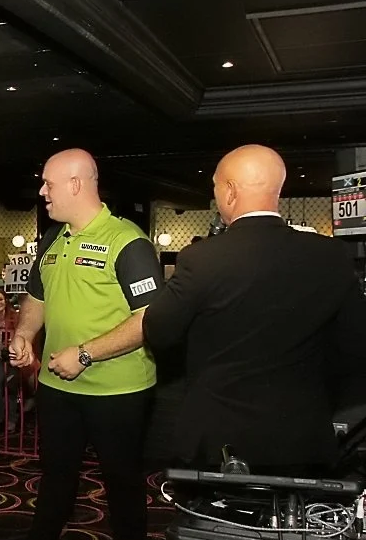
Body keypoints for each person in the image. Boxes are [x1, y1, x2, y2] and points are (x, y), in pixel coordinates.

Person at [81, 145, 366, 474]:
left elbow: (159, 331)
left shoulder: (203, 258)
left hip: (220, 438)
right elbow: (355, 345)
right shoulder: (331, 255)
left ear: (230, 192)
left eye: (215, 187)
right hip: (302, 435)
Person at [0, 149, 164, 540]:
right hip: (58, 387)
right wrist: (24, 334)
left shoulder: (127, 241)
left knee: (123, 487)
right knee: (56, 480)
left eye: (48, 183)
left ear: (76, 184)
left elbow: (150, 318)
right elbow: (36, 298)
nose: (42, 192)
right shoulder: (52, 239)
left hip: (119, 391)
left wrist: (86, 353)